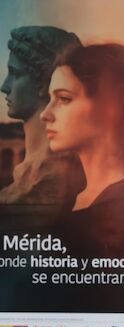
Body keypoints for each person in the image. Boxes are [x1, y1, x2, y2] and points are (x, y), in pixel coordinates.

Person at [40, 43, 124, 258]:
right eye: (50, 99)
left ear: (113, 108)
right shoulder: (78, 195)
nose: (45, 114)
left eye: (64, 98)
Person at [0, 26, 84, 212]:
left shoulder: (53, 177)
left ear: (45, 82)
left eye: (15, 73)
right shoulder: (29, 173)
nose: (4, 87)